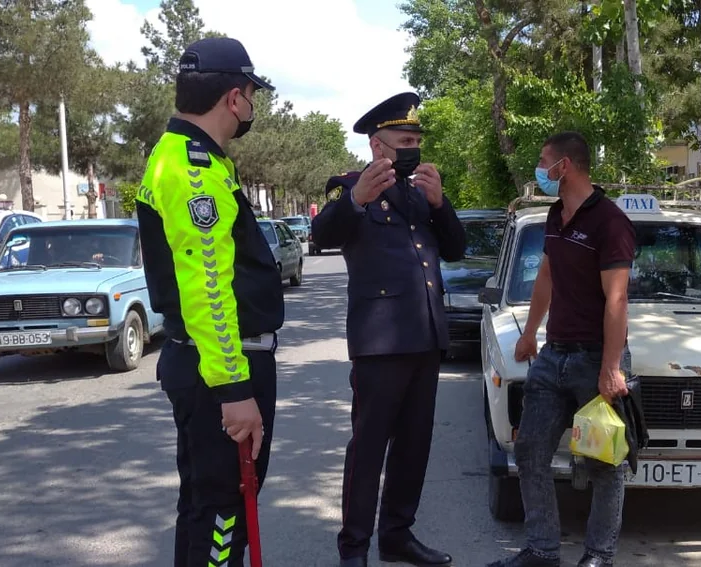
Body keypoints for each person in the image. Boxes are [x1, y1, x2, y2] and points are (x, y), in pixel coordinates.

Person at [135, 37, 284, 567]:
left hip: (209, 361)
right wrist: (235, 388)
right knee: (224, 512)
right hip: (220, 365)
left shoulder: (188, 157)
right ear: (234, 97)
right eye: (251, 95)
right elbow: (209, 290)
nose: (252, 107)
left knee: (203, 505)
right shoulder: (193, 169)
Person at [311, 92, 466, 567]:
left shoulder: (423, 194)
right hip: (380, 342)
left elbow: (455, 249)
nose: (413, 147)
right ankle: (353, 547)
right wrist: (357, 199)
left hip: (425, 335)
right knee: (369, 448)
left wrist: (441, 206)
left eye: (417, 139)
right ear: (379, 146)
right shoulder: (351, 188)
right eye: (405, 139)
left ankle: (397, 535)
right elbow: (323, 236)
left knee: (414, 447)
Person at [486, 132, 636, 567]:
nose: (540, 169)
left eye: (542, 161)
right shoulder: (555, 215)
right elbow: (547, 276)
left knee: (604, 463)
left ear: (564, 166)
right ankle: (541, 550)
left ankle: (599, 555)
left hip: (594, 359)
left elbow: (617, 299)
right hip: (554, 354)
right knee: (531, 449)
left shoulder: (610, 222)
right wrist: (531, 332)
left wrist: (610, 367)